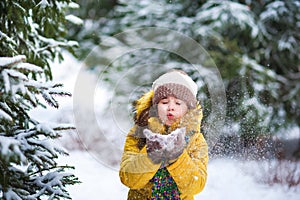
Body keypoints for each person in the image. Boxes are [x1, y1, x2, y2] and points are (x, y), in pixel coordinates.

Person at [119, 70, 208, 200]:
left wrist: (177, 156)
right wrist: (150, 155)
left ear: (188, 109)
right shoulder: (139, 134)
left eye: (178, 103)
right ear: (155, 106)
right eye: (164, 102)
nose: (170, 107)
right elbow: (128, 179)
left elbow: (196, 185)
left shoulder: (196, 140)